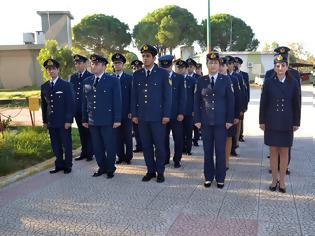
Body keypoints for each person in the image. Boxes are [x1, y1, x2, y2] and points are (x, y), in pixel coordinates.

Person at [259, 53, 301, 193]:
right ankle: (273, 180)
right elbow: (263, 102)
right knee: (273, 151)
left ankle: (282, 181)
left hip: (287, 122)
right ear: (274, 68)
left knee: (284, 152)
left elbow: (297, 104)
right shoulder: (269, 82)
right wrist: (262, 121)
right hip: (271, 121)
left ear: (287, 67)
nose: (281, 68)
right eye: (278, 66)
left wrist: (296, 122)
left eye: (283, 65)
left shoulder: (293, 82)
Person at [131, 44, 172, 183]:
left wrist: (166, 114)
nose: (145, 58)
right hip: (142, 117)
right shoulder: (137, 74)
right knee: (146, 145)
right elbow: (134, 96)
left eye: (148, 56)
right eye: (143, 56)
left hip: (158, 117)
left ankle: (160, 171)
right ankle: (150, 170)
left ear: (154, 58)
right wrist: (134, 114)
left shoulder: (163, 74)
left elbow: (167, 96)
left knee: (159, 145)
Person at [194, 52, 234, 189]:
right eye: (210, 63)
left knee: (220, 151)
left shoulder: (226, 80)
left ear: (219, 65)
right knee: (207, 151)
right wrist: (197, 119)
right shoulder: (201, 80)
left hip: (221, 122)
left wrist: (229, 120)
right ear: (207, 65)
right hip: (205, 122)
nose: (213, 65)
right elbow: (196, 101)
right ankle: (208, 177)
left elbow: (231, 101)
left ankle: (220, 177)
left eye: (215, 63)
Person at [82, 54, 122, 179]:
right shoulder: (87, 81)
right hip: (93, 120)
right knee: (97, 146)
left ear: (104, 66)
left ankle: (110, 168)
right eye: (92, 64)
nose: (93, 66)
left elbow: (117, 101)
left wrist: (117, 119)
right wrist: (84, 119)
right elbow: (85, 102)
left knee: (109, 145)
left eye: (96, 64)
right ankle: (101, 167)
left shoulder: (113, 80)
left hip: (107, 120)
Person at [41, 58, 75, 174]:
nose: (51, 71)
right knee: (55, 144)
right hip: (51, 121)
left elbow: (70, 104)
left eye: (53, 69)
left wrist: (69, 120)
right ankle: (59, 164)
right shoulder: (44, 86)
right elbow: (44, 105)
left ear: (58, 70)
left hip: (63, 121)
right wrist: (45, 121)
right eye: (49, 69)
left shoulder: (66, 85)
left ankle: (68, 165)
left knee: (66, 144)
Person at [159, 55, 186, 168]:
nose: (166, 69)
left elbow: (183, 97)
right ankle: (165, 158)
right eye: (163, 67)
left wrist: (181, 112)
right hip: (163, 114)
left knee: (178, 138)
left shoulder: (179, 78)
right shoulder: (159, 78)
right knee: (163, 138)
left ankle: (177, 159)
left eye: (168, 66)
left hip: (176, 114)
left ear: (171, 65)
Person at [70, 54, 94, 162]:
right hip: (77, 110)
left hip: (87, 110)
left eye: (79, 63)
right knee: (81, 132)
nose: (77, 65)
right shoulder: (73, 77)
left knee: (89, 132)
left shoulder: (90, 76)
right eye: (76, 63)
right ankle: (84, 152)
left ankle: (90, 152)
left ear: (85, 64)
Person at [219, 57, 241, 170]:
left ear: (227, 67)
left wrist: (237, 115)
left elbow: (237, 98)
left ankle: (226, 161)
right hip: (217, 115)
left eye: (223, 66)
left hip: (229, 114)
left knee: (228, 138)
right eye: (220, 66)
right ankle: (219, 159)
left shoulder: (233, 79)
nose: (221, 68)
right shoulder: (213, 79)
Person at [112, 53, 133, 165]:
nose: (117, 65)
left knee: (127, 136)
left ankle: (128, 157)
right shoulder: (110, 78)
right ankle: (120, 156)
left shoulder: (129, 78)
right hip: (115, 114)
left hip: (126, 113)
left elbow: (132, 96)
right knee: (117, 137)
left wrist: (131, 111)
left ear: (123, 64)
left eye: (119, 63)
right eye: (115, 63)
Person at [234, 57, 249, 143]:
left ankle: (240, 135)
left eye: (238, 64)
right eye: (235, 63)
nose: (236, 65)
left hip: (242, 100)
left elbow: (247, 90)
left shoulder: (244, 75)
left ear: (240, 65)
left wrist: (246, 102)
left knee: (241, 119)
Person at [186, 58, 201, 147]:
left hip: (195, 103)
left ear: (194, 67)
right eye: (187, 66)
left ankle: (195, 139)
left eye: (191, 66)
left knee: (195, 124)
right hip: (186, 104)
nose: (189, 68)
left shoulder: (198, 78)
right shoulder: (183, 77)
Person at [130, 59, 143, 153]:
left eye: (138, 67)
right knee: (136, 129)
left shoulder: (144, 78)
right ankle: (139, 145)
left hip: (143, 108)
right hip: (134, 108)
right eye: (134, 68)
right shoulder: (131, 79)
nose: (136, 69)